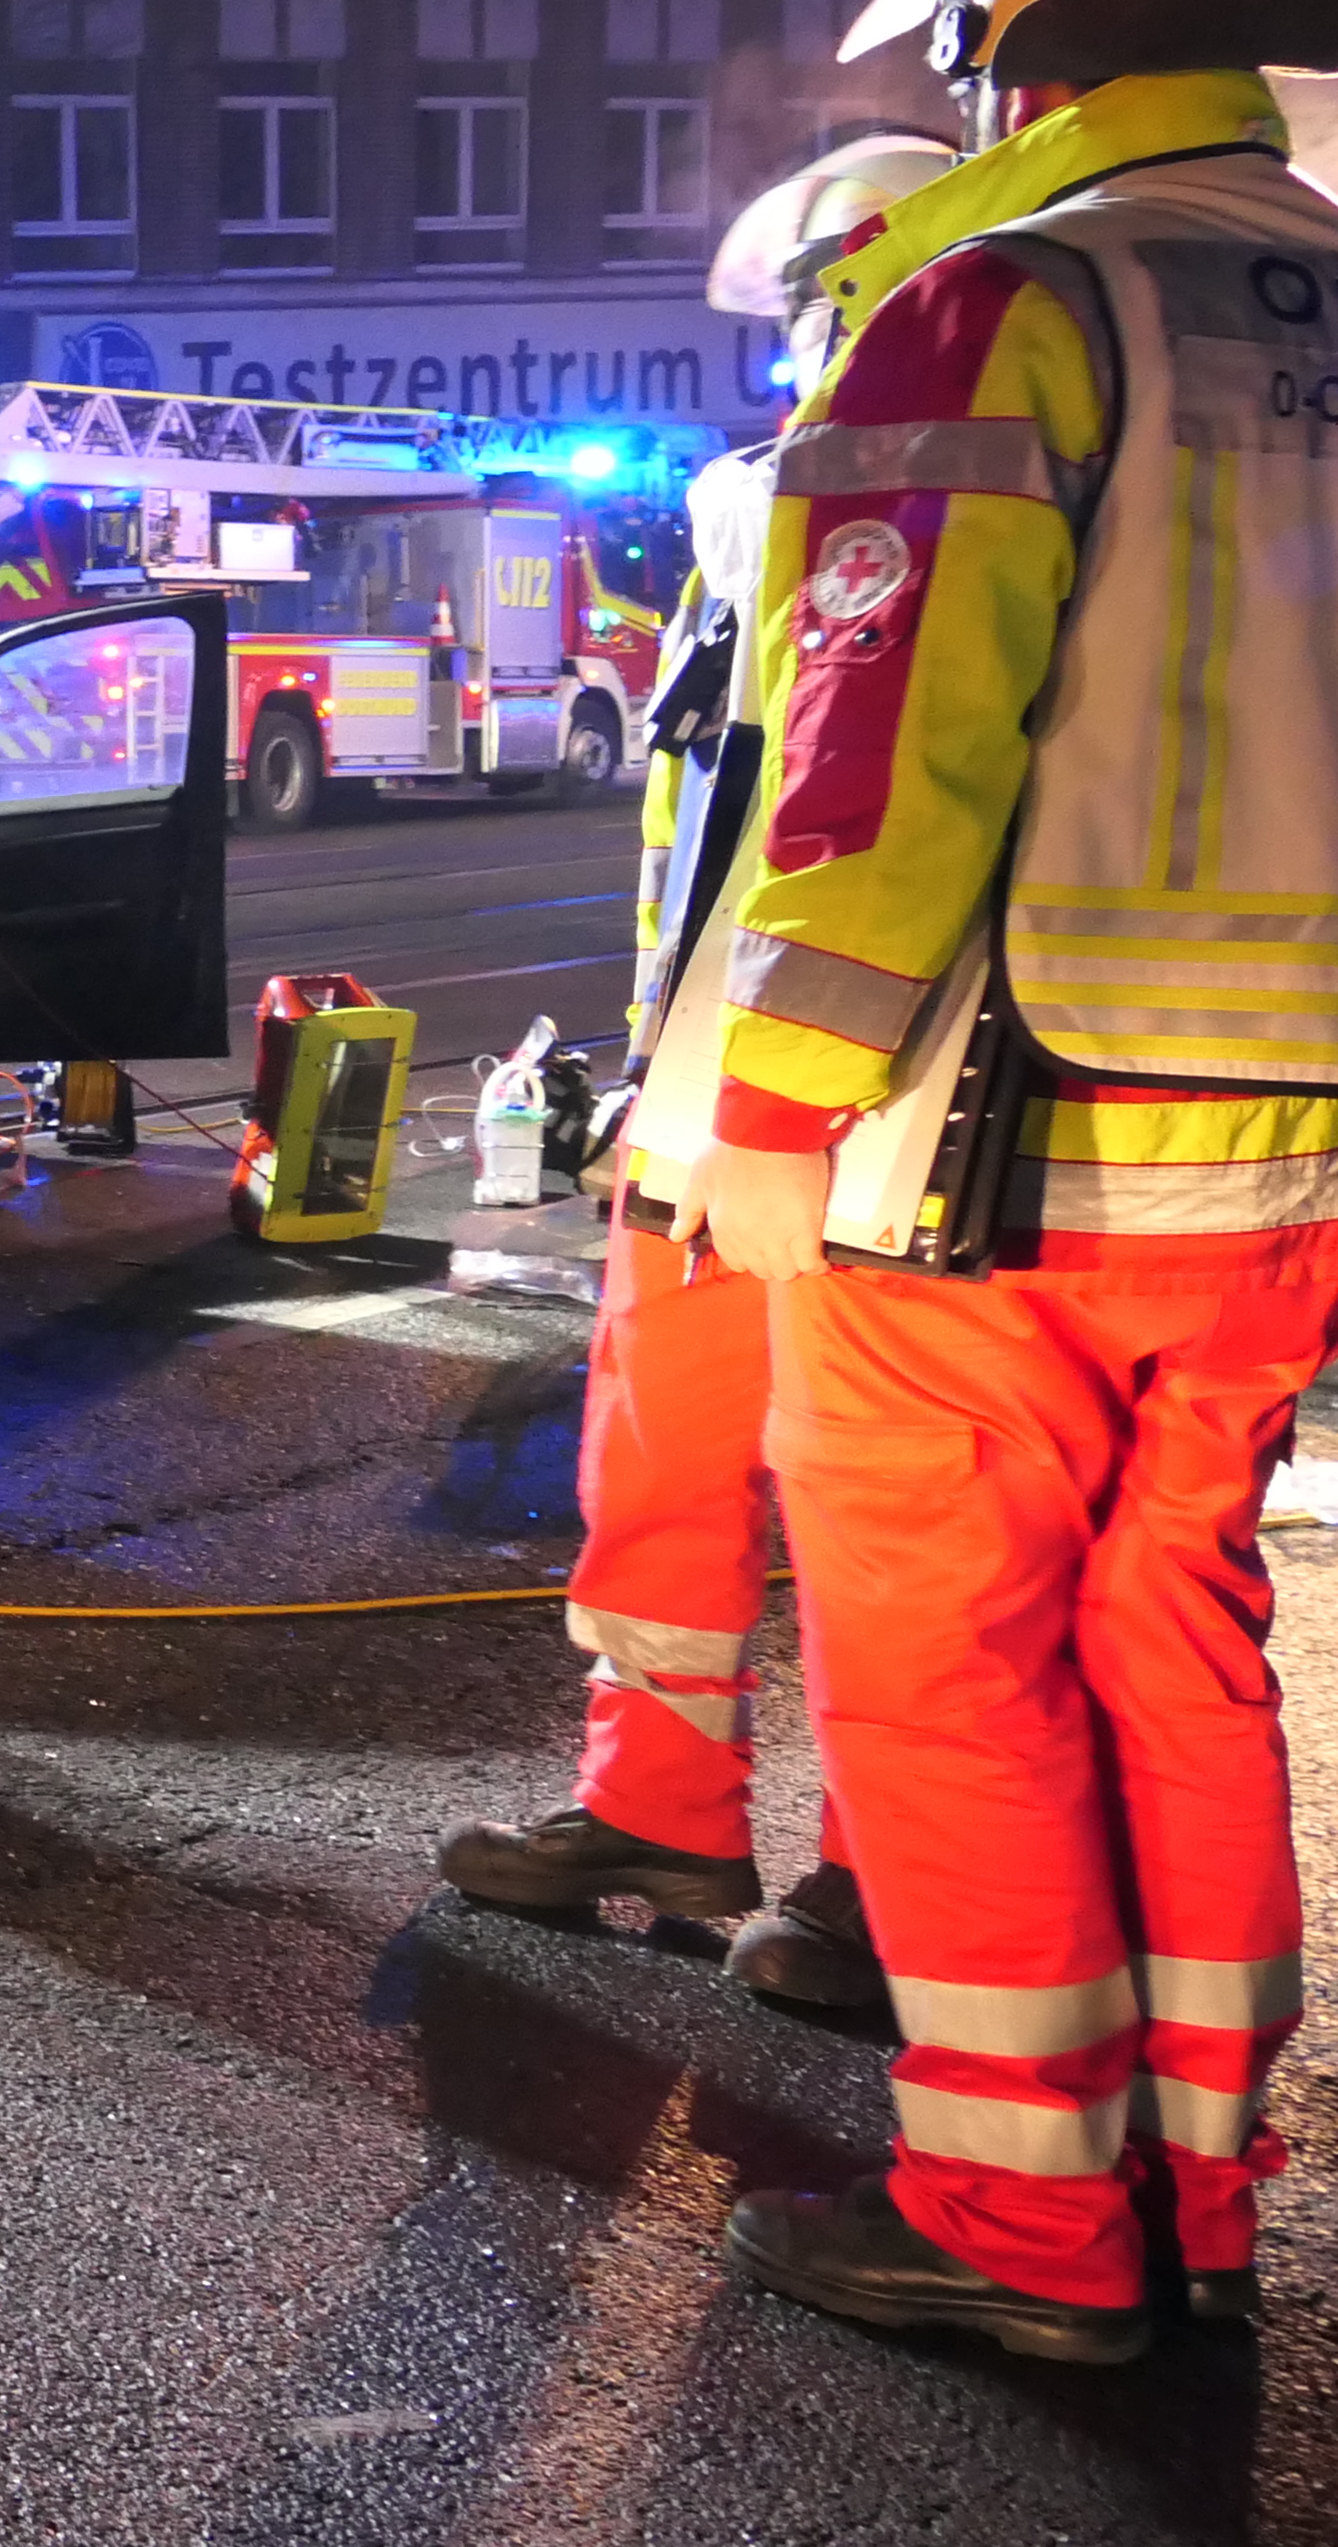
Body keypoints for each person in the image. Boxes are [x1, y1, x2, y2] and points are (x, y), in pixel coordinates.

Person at [667, 0, 1338, 2364]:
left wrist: (768, 1109)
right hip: (1301, 1158)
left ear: (993, 53)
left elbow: (880, 756)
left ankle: (1022, 2229)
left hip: (1003, 1157)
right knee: (1177, 1654)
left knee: (947, 1682)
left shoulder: (993, 296)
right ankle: (1196, 2199)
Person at [434, 137, 953, 2011]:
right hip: (718, 1081)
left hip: (865, 1104)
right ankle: (661, 1812)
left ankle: (902, 1893)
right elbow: (726, 825)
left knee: (880, 1522)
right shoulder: (764, 503)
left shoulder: (924, 488)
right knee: (655, 1470)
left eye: (817, 306)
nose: (799, 351)